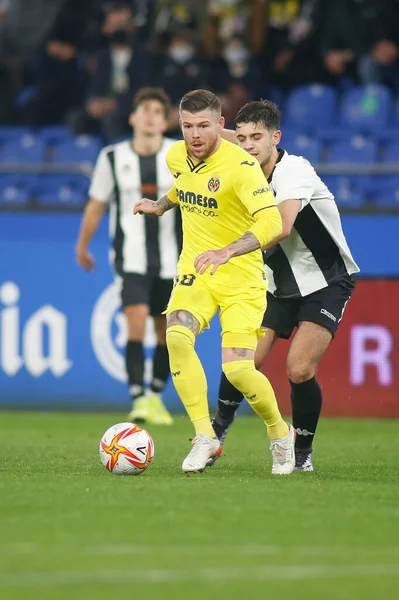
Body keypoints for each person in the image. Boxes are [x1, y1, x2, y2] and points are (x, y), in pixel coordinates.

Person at [133, 89, 296, 475]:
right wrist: (160, 206)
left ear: (221, 126)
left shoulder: (241, 166)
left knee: (239, 371)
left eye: (204, 126)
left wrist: (226, 252)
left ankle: (279, 433)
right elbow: (184, 185)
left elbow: (273, 223)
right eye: (187, 126)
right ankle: (205, 437)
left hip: (241, 277)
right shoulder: (175, 156)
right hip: (196, 270)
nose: (194, 135)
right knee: (176, 336)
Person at [211, 99, 359, 471]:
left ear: (276, 138)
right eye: (241, 138)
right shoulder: (243, 171)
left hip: (325, 283)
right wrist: (207, 129)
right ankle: (215, 433)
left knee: (299, 368)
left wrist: (228, 250)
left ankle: (302, 454)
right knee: (242, 360)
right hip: (275, 285)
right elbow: (224, 137)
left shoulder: (294, 170)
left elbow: (280, 227)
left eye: (256, 137)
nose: (247, 145)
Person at [76, 87, 181, 425]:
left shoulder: (179, 155)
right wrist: (82, 245)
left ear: (165, 121)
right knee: (135, 325)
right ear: (134, 118)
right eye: (145, 110)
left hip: (173, 258)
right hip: (130, 256)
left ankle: (154, 395)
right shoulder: (111, 156)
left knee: (167, 332)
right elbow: (96, 204)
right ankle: (138, 398)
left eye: (157, 111)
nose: (150, 116)